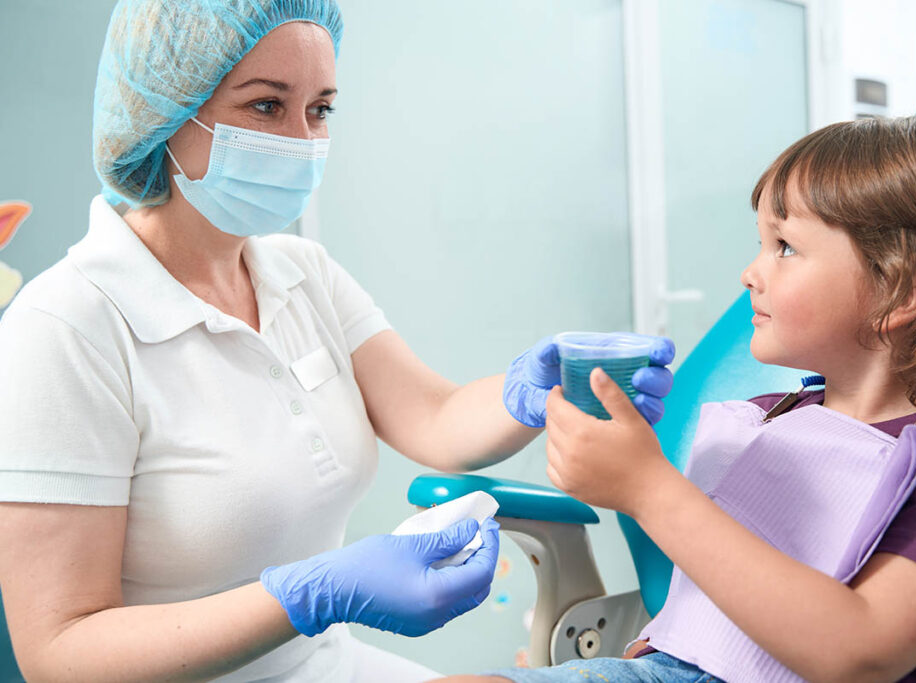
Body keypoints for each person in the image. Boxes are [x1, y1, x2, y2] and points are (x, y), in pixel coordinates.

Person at [0, 1, 674, 681]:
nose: (300, 138)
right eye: (266, 107)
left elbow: (434, 417)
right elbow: (59, 653)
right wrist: (302, 597)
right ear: (167, 114)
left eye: (319, 110)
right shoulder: (67, 327)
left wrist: (530, 388)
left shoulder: (301, 273)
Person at [442, 115, 916, 683]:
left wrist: (647, 488)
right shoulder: (772, 416)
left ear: (902, 292)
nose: (750, 273)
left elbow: (860, 653)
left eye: (785, 247)